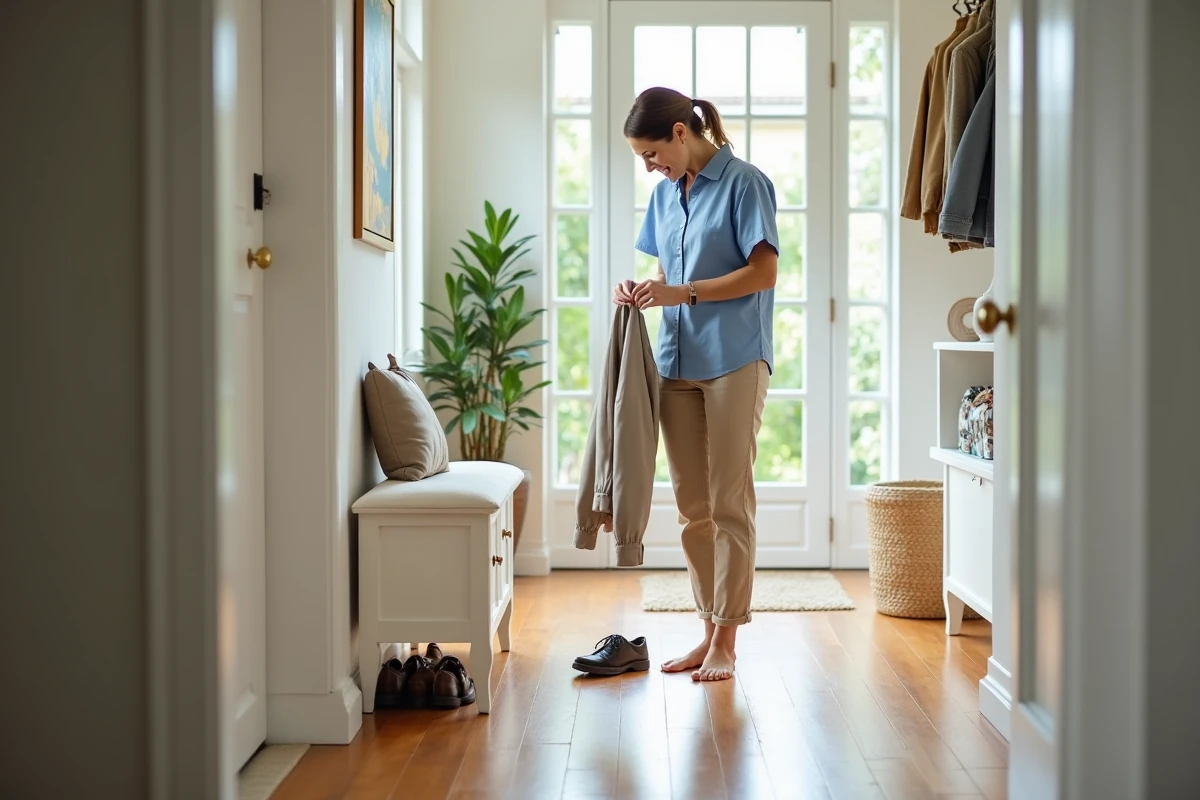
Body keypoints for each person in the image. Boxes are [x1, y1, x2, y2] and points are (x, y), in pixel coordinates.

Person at [615, 87, 779, 682]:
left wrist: (681, 293)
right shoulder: (664, 195)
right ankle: (706, 631)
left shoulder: (745, 183)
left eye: (651, 153)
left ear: (681, 133)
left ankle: (727, 641)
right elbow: (667, 271)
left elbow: (763, 272)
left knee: (728, 501)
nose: (648, 166)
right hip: (676, 360)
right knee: (692, 508)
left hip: (734, 358)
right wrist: (642, 290)